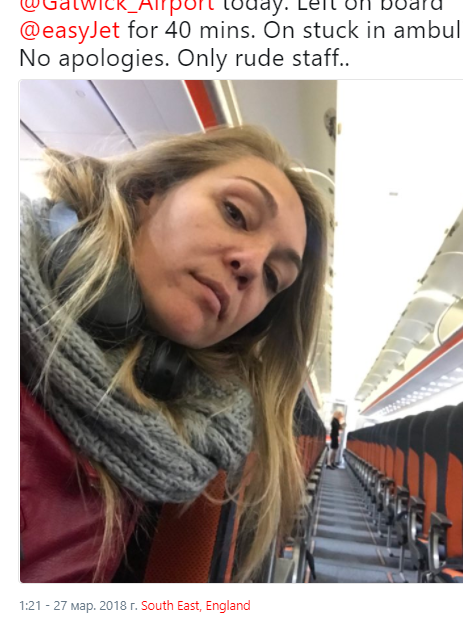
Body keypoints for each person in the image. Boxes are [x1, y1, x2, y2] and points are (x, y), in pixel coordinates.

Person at [20, 126, 328, 582]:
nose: (250, 266)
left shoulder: (196, 464)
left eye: (273, 276)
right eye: (235, 213)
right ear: (148, 190)